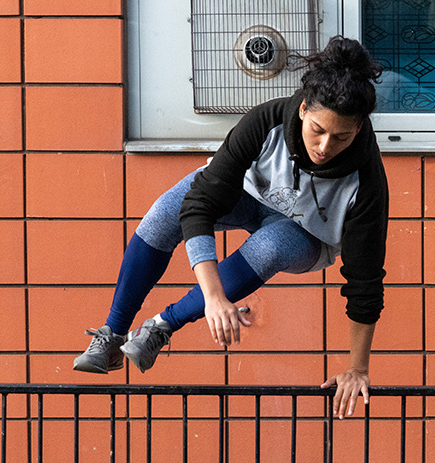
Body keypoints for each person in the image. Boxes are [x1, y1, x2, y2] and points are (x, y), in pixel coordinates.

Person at [73, 36, 388, 419]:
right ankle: (113, 335)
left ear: (358, 130)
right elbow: (200, 205)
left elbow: (365, 281)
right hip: (246, 195)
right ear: (304, 109)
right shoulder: (265, 121)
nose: (324, 147)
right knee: (164, 213)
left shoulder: (366, 182)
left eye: (341, 137)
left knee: (273, 245)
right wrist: (213, 295)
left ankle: (160, 328)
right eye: (318, 130)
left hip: (306, 235)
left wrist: (357, 369)